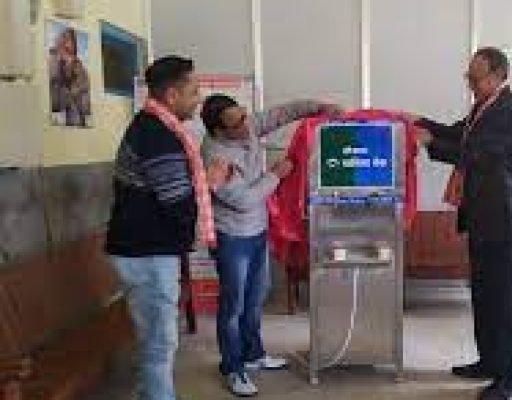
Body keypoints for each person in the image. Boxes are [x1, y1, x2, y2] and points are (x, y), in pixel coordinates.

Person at [106, 56, 230, 400]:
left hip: (147, 251)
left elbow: (174, 194)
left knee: (156, 342)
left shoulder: (158, 128)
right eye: (193, 92)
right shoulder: (157, 135)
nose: (199, 99)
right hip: (146, 254)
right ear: (172, 95)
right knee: (159, 345)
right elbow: (178, 204)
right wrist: (211, 182)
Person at [200, 94, 341, 396]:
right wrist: (275, 175)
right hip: (232, 237)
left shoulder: (245, 126)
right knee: (233, 305)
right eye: (236, 123)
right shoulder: (216, 158)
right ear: (218, 130)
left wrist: (319, 107)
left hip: (256, 232)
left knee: (255, 298)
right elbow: (243, 200)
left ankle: (253, 354)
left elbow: (281, 113)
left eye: (244, 116)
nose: (246, 125)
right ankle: (233, 368)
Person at [411, 47, 512, 399]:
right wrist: (420, 122)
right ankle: (490, 361)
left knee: (507, 305)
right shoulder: (484, 107)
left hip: (506, 222)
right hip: (482, 219)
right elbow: (457, 133)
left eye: (475, 78)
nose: (470, 83)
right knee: (484, 298)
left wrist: (431, 142)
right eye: (468, 76)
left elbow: (479, 153)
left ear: (498, 76)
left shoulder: (510, 112)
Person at [49, 27, 91, 127]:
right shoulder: (53, 61)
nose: (67, 44)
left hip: (76, 119)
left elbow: (86, 104)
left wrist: (73, 75)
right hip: (59, 118)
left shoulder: (80, 68)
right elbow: (54, 101)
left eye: (69, 40)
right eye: (63, 40)